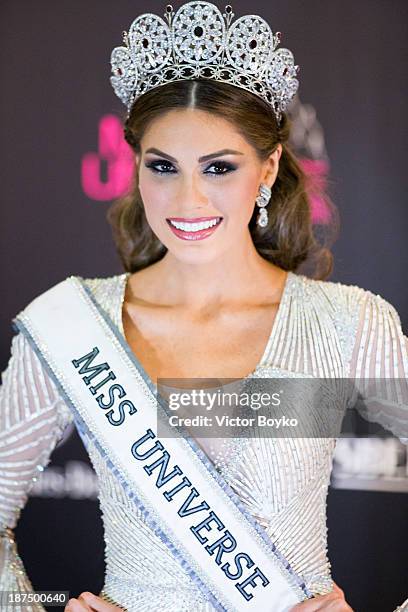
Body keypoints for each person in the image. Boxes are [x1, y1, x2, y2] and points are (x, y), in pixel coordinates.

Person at [1, 3, 407, 611]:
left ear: (268, 167)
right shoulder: (73, 327)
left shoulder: (346, 323)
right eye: (163, 166)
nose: (187, 199)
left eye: (219, 167)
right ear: (136, 167)